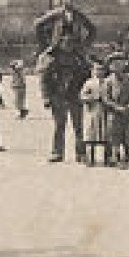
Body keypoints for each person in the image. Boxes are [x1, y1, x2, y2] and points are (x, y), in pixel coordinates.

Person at [43, 34, 90, 163]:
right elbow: (45, 81)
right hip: (58, 97)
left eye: (71, 43)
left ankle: (81, 153)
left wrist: (86, 94)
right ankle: (57, 152)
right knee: (59, 125)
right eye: (65, 43)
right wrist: (46, 97)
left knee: (78, 126)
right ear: (61, 45)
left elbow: (87, 77)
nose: (68, 46)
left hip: (75, 96)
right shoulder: (53, 61)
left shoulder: (79, 61)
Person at [102, 52, 129, 169]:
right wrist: (116, 107)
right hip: (114, 113)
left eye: (120, 63)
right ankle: (115, 157)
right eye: (114, 64)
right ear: (110, 67)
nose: (117, 66)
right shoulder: (108, 81)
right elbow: (105, 98)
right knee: (115, 135)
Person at [79, 60, 111, 166]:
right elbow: (82, 96)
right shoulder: (89, 83)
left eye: (101, 69)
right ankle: (90, 158)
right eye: (97, 69)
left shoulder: (107, 82)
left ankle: (108, 158)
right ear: (92, 71)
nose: (99, 72)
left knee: (106, 134)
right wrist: (92, 98)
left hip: (105, 111)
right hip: (92, 111)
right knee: (91, 135)